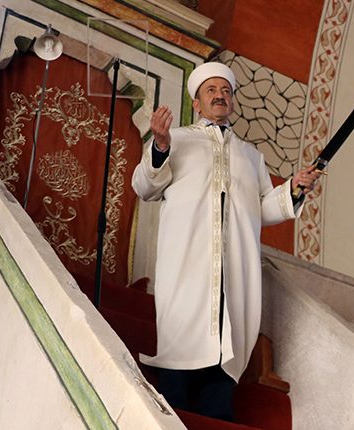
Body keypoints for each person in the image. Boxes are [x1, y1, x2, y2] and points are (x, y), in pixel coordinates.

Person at [131, 62, 320, 421]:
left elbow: (262, 209)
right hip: (187, 265)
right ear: (197, 103)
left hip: (234, 269)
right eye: (211, 90)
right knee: (181, 343)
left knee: (225, 353)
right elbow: (144, 187)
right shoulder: (176, 140)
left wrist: (293, 190)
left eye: (225, 91)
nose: (220, 96)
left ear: (232, 100)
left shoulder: (251, 155)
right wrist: (160, 144)